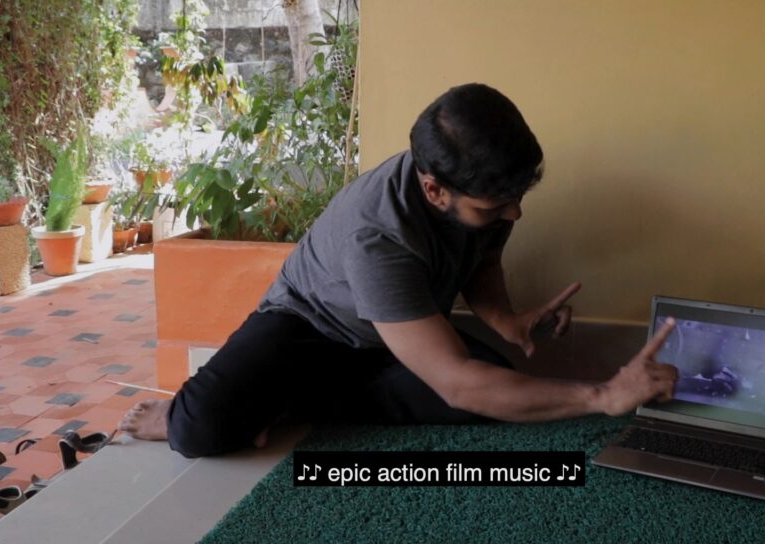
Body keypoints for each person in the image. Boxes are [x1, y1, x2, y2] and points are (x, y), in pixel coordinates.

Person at [119, 83, 679, 457]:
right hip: (312, 327)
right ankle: (235, 403)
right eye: (496, 207)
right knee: (199, 430)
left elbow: (481, 262)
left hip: (392, 337)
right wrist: (603, 395)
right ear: (433, 188)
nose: (514, 214)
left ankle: (288, 403)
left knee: (490, 400)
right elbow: (460, 384)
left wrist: (505, 319)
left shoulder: (488, 190)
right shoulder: (378, 235)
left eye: (513, 200)